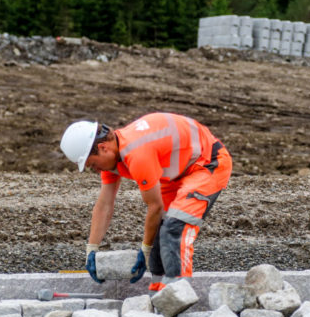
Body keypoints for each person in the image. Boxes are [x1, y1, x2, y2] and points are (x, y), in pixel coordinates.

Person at [60, 113, 233, 291]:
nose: (95, 170)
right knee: (159, 231)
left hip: (208, 163)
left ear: (103, 147)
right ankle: (159, 293)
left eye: (92, 164)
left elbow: (155, 206)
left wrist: (145, 250)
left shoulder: (137, 154)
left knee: (175, 228)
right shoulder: (113, 155)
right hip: (176, 174)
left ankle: (179, 295)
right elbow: (104, 203)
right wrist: (92, 249)